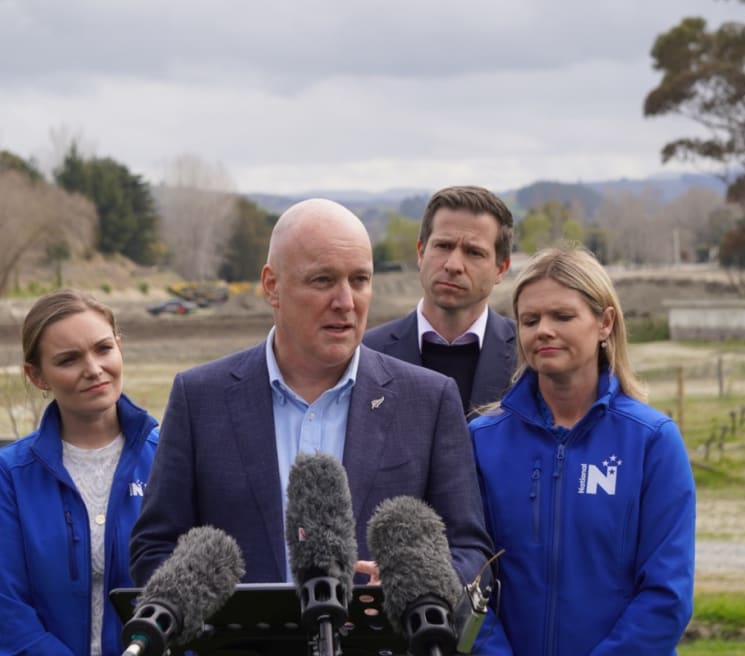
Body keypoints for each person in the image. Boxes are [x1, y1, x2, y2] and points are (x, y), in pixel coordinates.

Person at [130, 198, 492, 587]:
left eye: (360, 280)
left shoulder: (428, 399)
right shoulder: (199, 398)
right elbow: (154, 549)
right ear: (272, 285)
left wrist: (415, 588)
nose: (346, 302)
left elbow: (469, 552)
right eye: (323, 280)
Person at [470, 244, 695, 655]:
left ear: (605, 322)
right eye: (530, 319)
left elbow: (668, 595)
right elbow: (466, 578)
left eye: (563, 316)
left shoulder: (653, 442)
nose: (543, 331)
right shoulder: (481, 441)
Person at [0, 289, 159, 656]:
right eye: (69, 359)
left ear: (119, 348)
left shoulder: (172, 458)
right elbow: (4, 616)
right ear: (37, 376)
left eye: (103, 349)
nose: (93, 369)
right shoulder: (9, 475)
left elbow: (202, 595)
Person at [364, 185, 515, 416]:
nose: (453, 265)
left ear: (501, 269)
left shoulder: (528, 357)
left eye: (474, 252)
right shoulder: (366, 354)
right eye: (443, 246)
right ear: (421, 253)